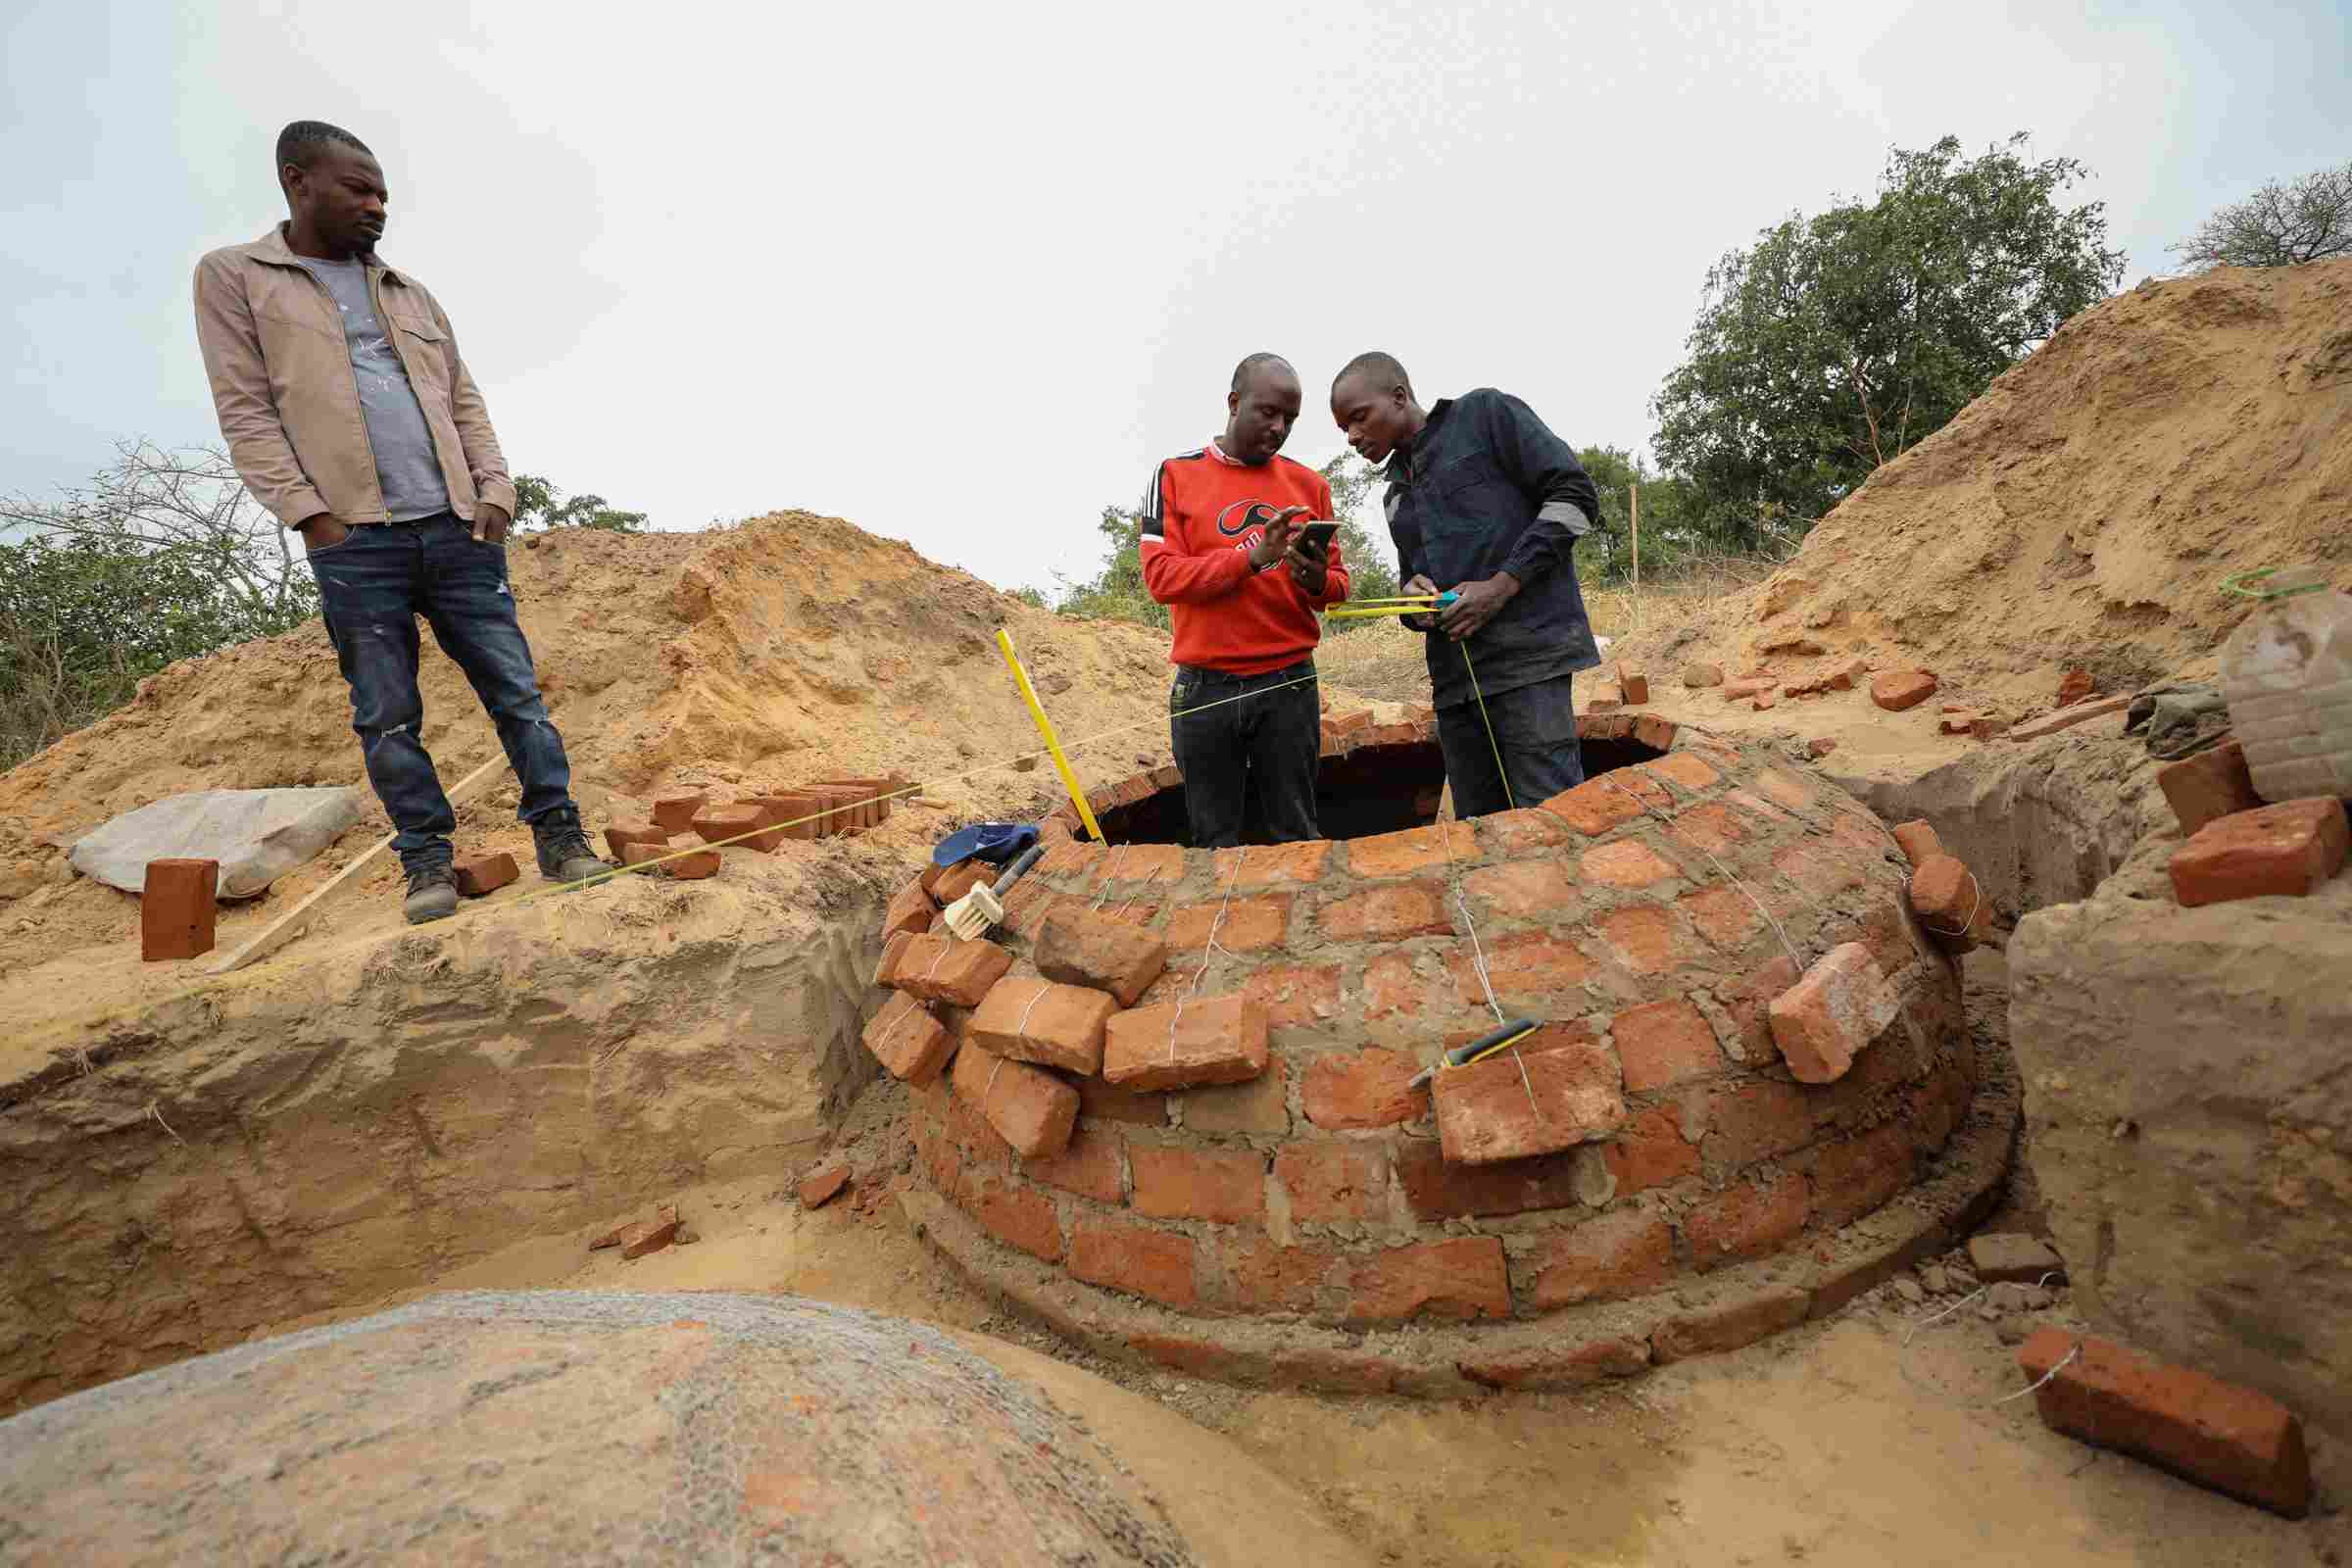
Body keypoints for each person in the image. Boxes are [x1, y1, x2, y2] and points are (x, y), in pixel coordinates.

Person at [193, 121, 608, 925]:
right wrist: (310, 516)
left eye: (383, 191)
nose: (377, 206)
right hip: (356, 540)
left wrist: (495, 494)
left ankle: (561, 838)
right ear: (296, 180)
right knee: (386, 714)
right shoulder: (236, 277)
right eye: (358, 188)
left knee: (517, 694)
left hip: (457, 529)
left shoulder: (410, 295)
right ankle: (427, 863)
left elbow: (464, 401)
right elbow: (243, 409)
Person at [1329, 352, 1602, 818]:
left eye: (1359, 418)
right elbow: (1411, 586)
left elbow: (1576, 500)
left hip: (1528, 668)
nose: (1353, 437)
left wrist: (1502, 584)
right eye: (1343, 430)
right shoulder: (1395, 494)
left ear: (1399, 397)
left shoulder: (1486, 416)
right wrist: (1413, 604)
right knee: (1481, 843)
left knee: (1553, 830)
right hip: (1456, 688)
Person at [1139, 353, 1350, 848]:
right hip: (1205, 690)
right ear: (1234, 403)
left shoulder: (1309, 485)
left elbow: (1338, 588)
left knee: (1296, 832)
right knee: (1215, 841)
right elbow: (1161, 577)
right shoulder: (1173, 475)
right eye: (1268, 412)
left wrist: (1316, 580)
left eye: (1291, 420)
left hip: (1290, 684)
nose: (1279, 428)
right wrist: (1251, 559)